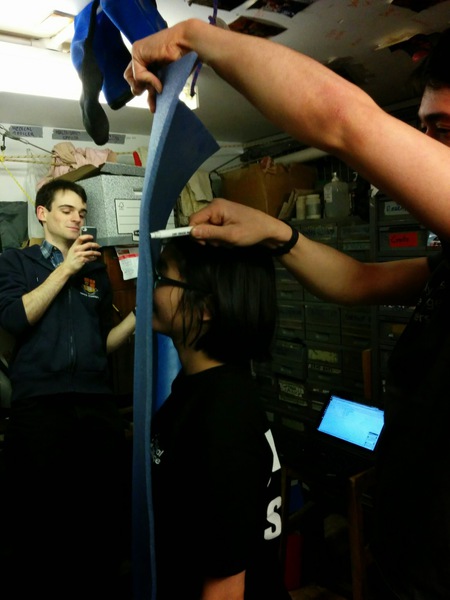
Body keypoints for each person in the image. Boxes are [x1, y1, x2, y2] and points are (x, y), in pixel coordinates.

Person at [124, 22, 450, 599]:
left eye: (442, 130)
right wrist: (277, 232)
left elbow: (343, 121)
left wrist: (197, 38)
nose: (424, 146)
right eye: (423, 127)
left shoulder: (225, 417)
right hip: (408, 558)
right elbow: (360, 280)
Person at [0, 179, 136, 599]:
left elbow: (102, 344)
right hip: (40, 406)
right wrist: (66, 268)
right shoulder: (16, 262)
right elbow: (15, 319)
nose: (77, 218)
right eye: (66, 210)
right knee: (39, 520)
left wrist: (138, 317)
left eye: (82, 212)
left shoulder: (96, 271)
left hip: (96, 404)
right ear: (43, 214)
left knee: (100, 516)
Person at [150, 236, 289, 600]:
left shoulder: (223, 420)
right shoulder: (202, 385)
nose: (151, 288)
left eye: (162, 277)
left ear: (206, 307)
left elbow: (226, 590)